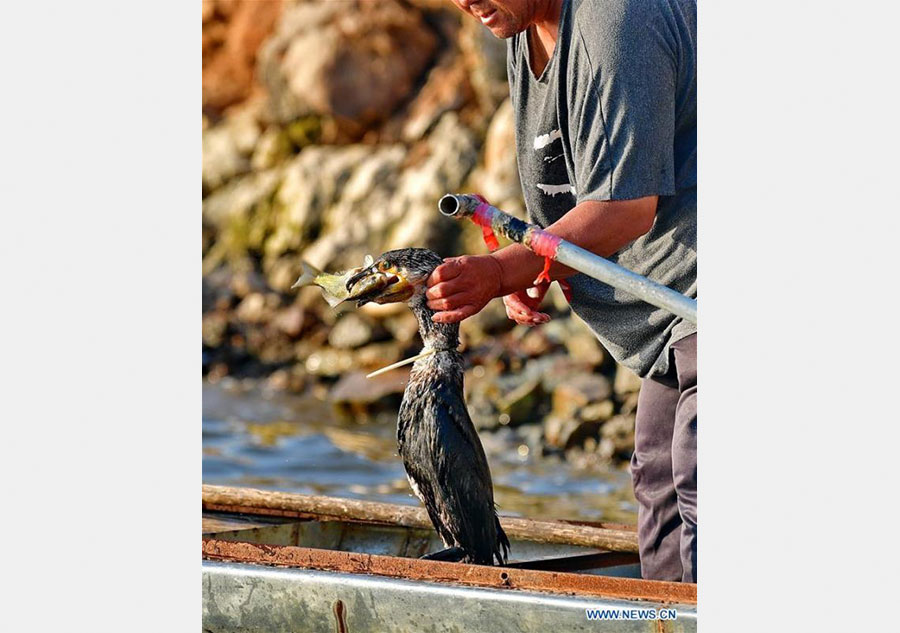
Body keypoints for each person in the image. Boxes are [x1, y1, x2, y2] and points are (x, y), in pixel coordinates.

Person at [432, 0, 697, 582]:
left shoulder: (618, 21)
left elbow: (625, 207)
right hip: (667, 309)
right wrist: (538, 267)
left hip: (698, 297)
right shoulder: (522, 25)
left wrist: (505, 270)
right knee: (660, 488)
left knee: (703, 481)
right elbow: (565, 169)